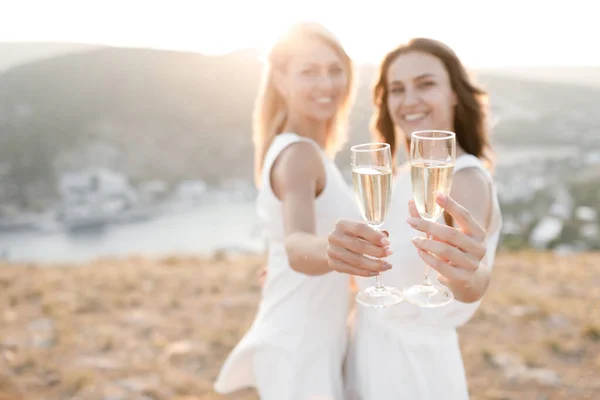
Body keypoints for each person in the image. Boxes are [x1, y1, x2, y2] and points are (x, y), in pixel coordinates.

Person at [326, 38, 503, 399]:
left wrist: (472, 275)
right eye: (397, 89)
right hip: (369, 350)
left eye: (426, 84)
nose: (409, 100)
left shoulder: (465, 176)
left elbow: (471, 277)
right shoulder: (402, 174)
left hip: (414, 372)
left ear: (454, 93)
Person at [213, 22, 364, 400]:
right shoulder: (299, 154)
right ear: (281, 80)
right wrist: (328, 250)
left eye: (334, 70)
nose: (326, 83)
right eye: (308, 72)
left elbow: (292, 244)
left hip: (311, 334)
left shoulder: (305, 151)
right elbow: (298, 243)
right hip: (300, 342)